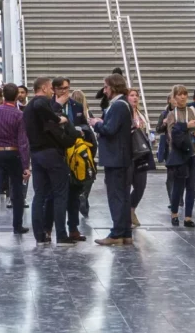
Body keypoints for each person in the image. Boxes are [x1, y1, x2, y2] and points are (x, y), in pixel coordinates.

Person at [24, 76, 78, 245]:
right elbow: (42, 105)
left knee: (39, 194)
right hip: (50, 153)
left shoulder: (28, 108)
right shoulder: (40, 102)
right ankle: (61, 234)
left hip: (36, 154)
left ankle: (40, 234)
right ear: (46, 88)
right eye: (50, 88)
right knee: (60, 193)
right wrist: (57, 119)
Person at [91, 73, 134, 246]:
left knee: (116, 196)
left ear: (113, 87)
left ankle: (116, 234)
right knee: (123, 196)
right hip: (122, 156)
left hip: (115, 157)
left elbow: (109, 129)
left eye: (106, 86)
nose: (104, 90)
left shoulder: (118, 106)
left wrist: (96, 124)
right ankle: (125, 232)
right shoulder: (124, 104)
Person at [0, 83, 30, 238]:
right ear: (16, 96)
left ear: (2, 95)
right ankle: (17, 225)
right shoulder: (19, 115)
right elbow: (23, 141)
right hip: (13, 153)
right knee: (16, 190)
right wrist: (25, 165)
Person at [52, 78, 89, 241]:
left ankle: (73, 228)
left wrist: (82, 130)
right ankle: (50, 229)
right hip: (56, 153)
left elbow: (85, 125)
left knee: (74, 194)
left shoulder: (76, 106)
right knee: (54, 195)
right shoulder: (48, 106)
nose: (64, 91)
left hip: (75, 154)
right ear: (53, 89)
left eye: (66, 88)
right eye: (60, 88)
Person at [163, 85, 195, 228]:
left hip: (193, 152)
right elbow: (172, 135)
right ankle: (174, 214)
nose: (183, 97)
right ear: (174, 97)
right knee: (178, 186)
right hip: (180, 155)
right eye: (179, 94)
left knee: (191, 185)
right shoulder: (171, 114)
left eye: (185, 94)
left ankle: (188, 217)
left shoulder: (193, 110)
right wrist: (186, 125)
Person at [127, 88, 155, 229]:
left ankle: (131, 209)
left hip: (141, 154)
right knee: (126, 186)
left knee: (140, 185)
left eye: (137, 95)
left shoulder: (141, 114)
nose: (135, 98)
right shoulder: (125, 113)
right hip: (128, 154)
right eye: (132, 95)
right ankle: (127, 214)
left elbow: (145, 130)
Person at [71, 88, 96, 217]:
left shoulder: (69, 114)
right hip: (87, 150)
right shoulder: (88, 114)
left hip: (73, 150)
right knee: (89, 175)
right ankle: (84, 196)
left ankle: (77, 198)